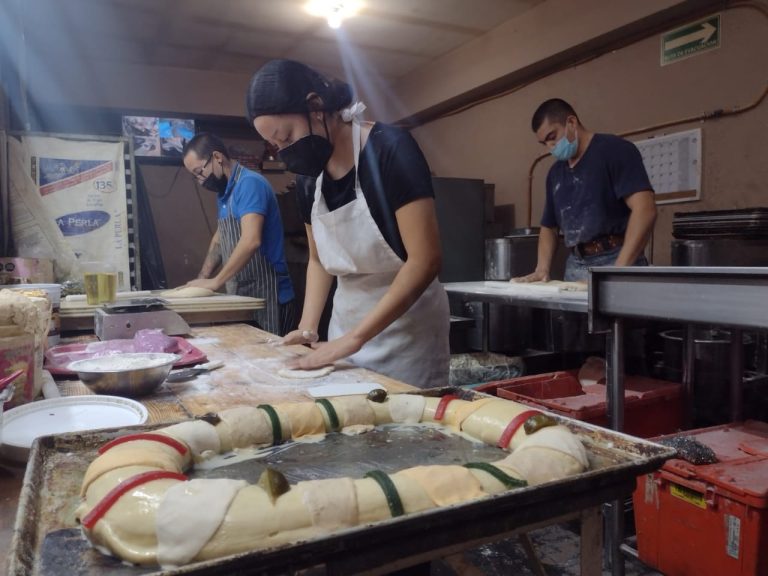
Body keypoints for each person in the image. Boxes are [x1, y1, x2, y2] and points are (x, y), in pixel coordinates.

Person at [245, 59, 450, 388]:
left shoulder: (390, 150)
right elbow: (318, 259)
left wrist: (355, 339)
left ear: (316, 107)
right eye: (276, 146)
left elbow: (425, 260)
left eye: (286, 136)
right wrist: (309, 327)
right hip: (344, 332)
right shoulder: (309, 182)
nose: (285, 152)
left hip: (407, 336)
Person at [515, 98, 657, 283]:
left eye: (552, 137)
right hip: (575, 264)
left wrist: (618, 271)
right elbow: (549, 227)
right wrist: (542, 268)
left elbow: (645, 210)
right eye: (544, 143)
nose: (551, 147)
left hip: (617, 258)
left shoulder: (615, 150)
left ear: (571, 123)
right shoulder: (555, 174)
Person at [181, 133, 296, 336]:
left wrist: (216, 282)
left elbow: (251, 240)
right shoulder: (225, 193)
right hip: (243, 292)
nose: (200, 181)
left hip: (269, 293)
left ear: (217, 157)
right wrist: (202, 279)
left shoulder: (250, 184)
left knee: (270, 359)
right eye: (195, 176)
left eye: (200, 172)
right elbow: (220, 237)